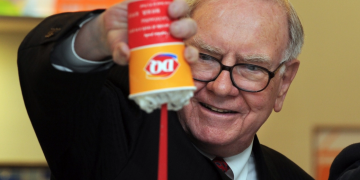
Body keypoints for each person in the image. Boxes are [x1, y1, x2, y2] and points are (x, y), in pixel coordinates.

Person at [18, 0, 313, 179]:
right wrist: (92, 41)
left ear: (283, 83)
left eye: (252, 67)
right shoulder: (113, 138)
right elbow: (53, 88)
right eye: (206, 57)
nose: (222, 87)